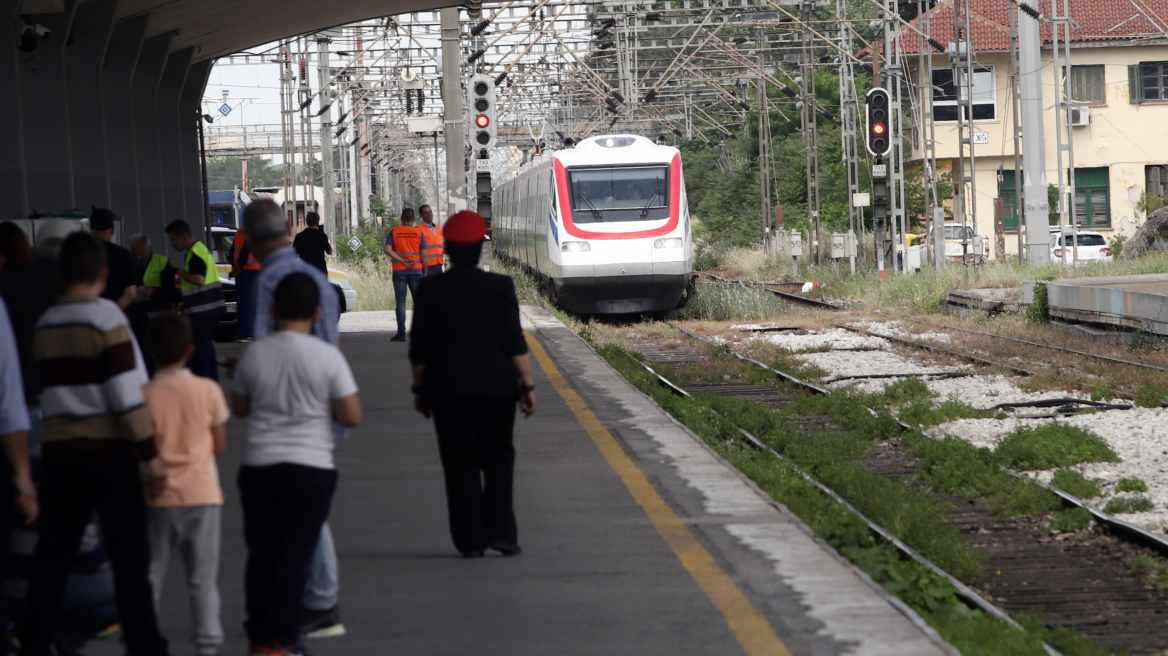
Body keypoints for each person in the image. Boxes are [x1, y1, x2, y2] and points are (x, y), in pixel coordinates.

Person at [20, 231, 169, 656]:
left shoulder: (46, 323)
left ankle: (34, 644)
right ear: (104, 275)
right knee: (129, 563)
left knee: (53, 560)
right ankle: (147, 648)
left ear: (62, 275)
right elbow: (125, 395)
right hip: (110, 457)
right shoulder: (106, 318)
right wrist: (151, 455)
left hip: (60, 456)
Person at [233, 273, 362, 656]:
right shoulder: (327, 357)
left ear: (272, 311)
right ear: (319, 312)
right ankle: (284, 640)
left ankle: (260, 637)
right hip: (310, 470)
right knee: (295, 554)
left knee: (261, 555)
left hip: (259, 468)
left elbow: (240, 408)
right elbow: (351, 415)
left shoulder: (255, 353)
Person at [242, 199, 344, 639]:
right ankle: (317, 598)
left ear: (249, 237)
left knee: (294, 518)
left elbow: (270, 347)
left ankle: (319, 599)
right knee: (309, 510)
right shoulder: (313, 278)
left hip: (285, 418)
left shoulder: (272, 279)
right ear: (286, 227)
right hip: (319, 407)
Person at [409, 211, 536, 558]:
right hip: (497, 388)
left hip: (447, 390)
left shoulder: (432, 289)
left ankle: (469, 540)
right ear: (481, 249)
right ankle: (502, 535)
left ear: (447, 248)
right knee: (498, 459)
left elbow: (419, 346)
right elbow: (514, 342)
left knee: (459, 463)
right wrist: (527, 386)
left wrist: (419, 390)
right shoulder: (500, 287)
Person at [143, 312, 228, 656]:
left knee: (151, 575)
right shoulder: (207, 390)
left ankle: (145, 639)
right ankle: (207, 644)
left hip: (157, 496)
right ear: (191, 350)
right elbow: (220, 444)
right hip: (202, 494)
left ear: (150, 350)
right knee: (202, 579)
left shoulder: (142, 395)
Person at [165, 220, 225, 381]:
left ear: (184, 236)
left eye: (173, 239)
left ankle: (205, 388)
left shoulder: (195, 253)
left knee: (201, 356)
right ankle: (212, 385)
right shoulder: (200, 250)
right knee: (208, 353)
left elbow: (199, 279)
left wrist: (177, 271)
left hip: (201, 312)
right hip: (207, 309)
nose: (171, 244)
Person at [383, 208, 426, 342]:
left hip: (399, 271)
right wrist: (425, 271)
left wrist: (401, 260)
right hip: (416, 271)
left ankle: (401, 333)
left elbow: (387, 249)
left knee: (401, 303)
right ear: (413, 220)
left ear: (401, 219)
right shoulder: (419, 232)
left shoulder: (395, 232)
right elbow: (424, 254)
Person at [89, 208, 140, 312]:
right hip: (117, 322)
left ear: (90, 228)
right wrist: (110, 315)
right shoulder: (124, 255)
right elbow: (130, 294)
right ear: (112, 229)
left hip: (87, 319)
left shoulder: (80, 255)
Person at [231, 226, 262, 341]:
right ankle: (247, 332)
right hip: (251, 270)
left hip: (241, 272)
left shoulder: (240, 231)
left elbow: (233, 250)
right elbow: (246, 250)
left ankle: (243, 331)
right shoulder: (254, 231)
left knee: (242, 302)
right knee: (249, 302)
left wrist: (235, 266)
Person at [417, 204, 444, 276]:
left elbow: (440, 246)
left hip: (439, 265)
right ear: (421, 215)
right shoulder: (418, 229)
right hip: (428, 266)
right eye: (426, 213)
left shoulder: (437, 228)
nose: (429, 214)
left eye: (430, 212)